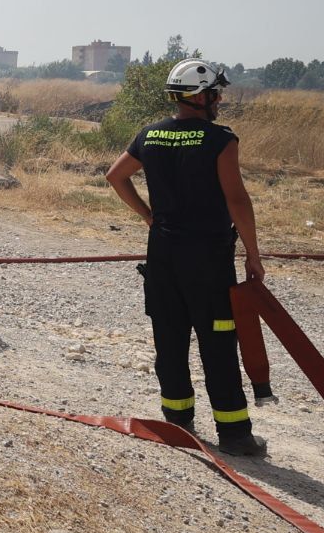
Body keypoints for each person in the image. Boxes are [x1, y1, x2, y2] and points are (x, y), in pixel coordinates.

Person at [105, 60, 268, 457]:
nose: (220, 99)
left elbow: (115, 175)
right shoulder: (220, 140)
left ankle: (176, 423)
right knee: (217, 343)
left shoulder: (151, 134)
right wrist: (253, 254)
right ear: (201, 95)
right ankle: (234, 435)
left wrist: (148, 217)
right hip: (208, 260)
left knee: (170, 338)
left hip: (162, 256)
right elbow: (236, 199)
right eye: (216, 92)